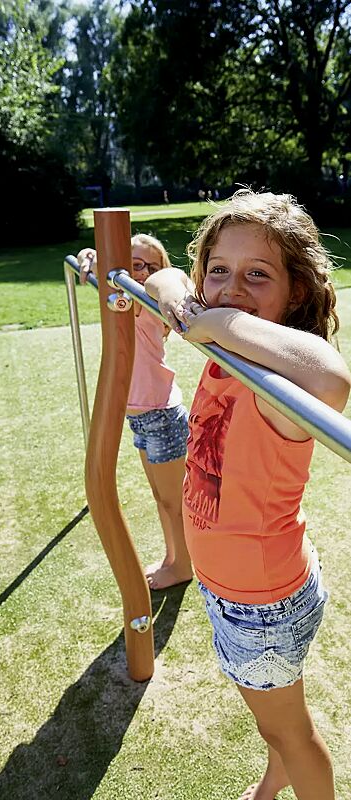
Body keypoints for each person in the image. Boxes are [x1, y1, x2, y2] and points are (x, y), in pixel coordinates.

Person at [145, 189, 350, 800]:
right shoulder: (226, 355)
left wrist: (222, 319)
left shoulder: (271, 383)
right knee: (274, 723)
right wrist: (186, 301)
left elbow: (331, 377)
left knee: (292, 731)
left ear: (297, 295)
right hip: (244, 584)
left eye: (257, 275)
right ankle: (272, 780)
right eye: (220, 271)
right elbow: (167, 276)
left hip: (260, 604)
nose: (232, 286)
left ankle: (292, 777)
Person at [77, 233, 193, 591]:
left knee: (174, 502)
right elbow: (98, 264)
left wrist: (106, 265)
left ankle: (183, 566)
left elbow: (136, 283)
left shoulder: (146, 305)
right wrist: (90, 254)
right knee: (161, 498)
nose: (140, 273)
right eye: (133, 265)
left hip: (161, 414)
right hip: (141, 416)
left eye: (150, 267)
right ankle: (173, 558)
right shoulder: (123, 303)